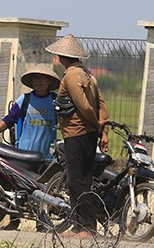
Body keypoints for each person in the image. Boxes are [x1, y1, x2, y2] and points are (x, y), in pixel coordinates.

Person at [0, 64, 60, 231]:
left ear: (49, 82)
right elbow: (8, 121)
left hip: (46, 155)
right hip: (23, 154)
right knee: (15, 188)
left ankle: (41, 223)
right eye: (36, 78)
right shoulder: (24, 100)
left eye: (42, 78)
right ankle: (14, 221)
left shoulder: (55, 101)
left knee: (43, 190)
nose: (38, 81)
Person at [45, 34, 109, 239]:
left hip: (77, 133)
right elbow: (101, 105)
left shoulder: (71, 76)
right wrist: (103, 130)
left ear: (61, 56)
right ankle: (78, 226)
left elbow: (84, 106)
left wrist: (97, 125)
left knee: (76, 181)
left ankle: (87, 227)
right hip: (87, 135)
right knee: (82, 180)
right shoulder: (88, 75)